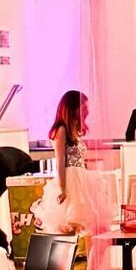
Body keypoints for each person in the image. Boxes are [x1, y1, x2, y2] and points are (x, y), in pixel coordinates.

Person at [33, 91, 98, 234]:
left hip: (80, 178)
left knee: (80, 224)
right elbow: (60, 160)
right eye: (83, 108)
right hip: (70, 179)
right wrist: (63, 189)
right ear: (72, 109)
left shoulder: (76, 129)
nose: (86, 111)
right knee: (68, 222)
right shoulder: (61, 130)